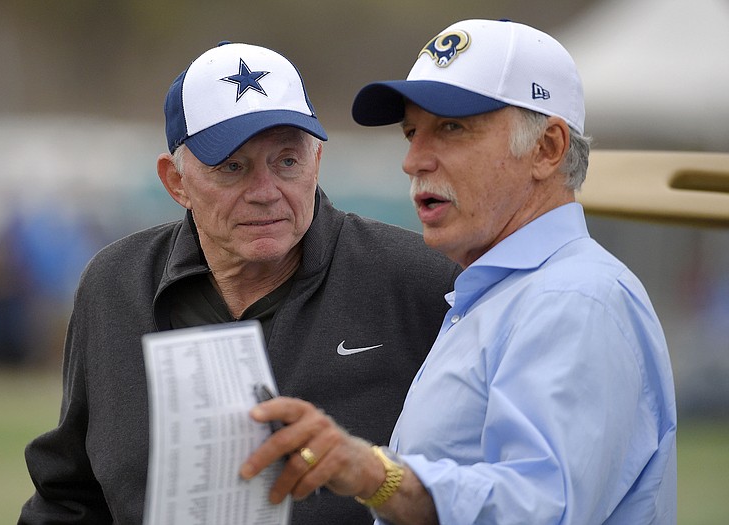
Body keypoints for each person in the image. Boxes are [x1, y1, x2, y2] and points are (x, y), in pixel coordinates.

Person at [241, 19, 677, 524]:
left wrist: (374, 474)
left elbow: (536, 511)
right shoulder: (505, 294)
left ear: (547, 149)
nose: (413, 160)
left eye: (452, 127)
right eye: (411, 132)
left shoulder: (574, 297)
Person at [18, 42, 460, 524]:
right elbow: (70, 494)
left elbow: (476, 483)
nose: (266, 193)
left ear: (317, 161)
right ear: (176, 182)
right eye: (233, 167)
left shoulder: (421, 278)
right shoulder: (116, 283)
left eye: (287, 162)